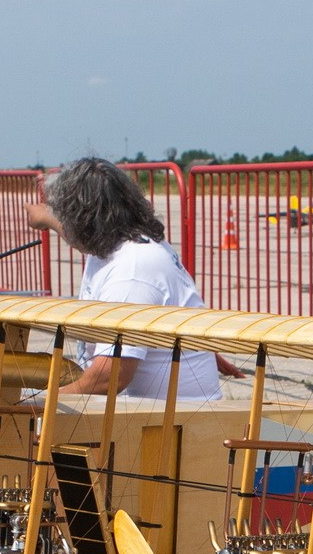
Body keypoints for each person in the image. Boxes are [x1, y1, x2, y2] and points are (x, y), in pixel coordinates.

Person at [37, 157, 223, 400]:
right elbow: (75, 236)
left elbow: (110, 377)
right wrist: (45, 218)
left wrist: (39, 403)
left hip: (169, 420)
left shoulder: (131, 271)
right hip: (156, 410)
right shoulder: (123, 239)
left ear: (84, 222)